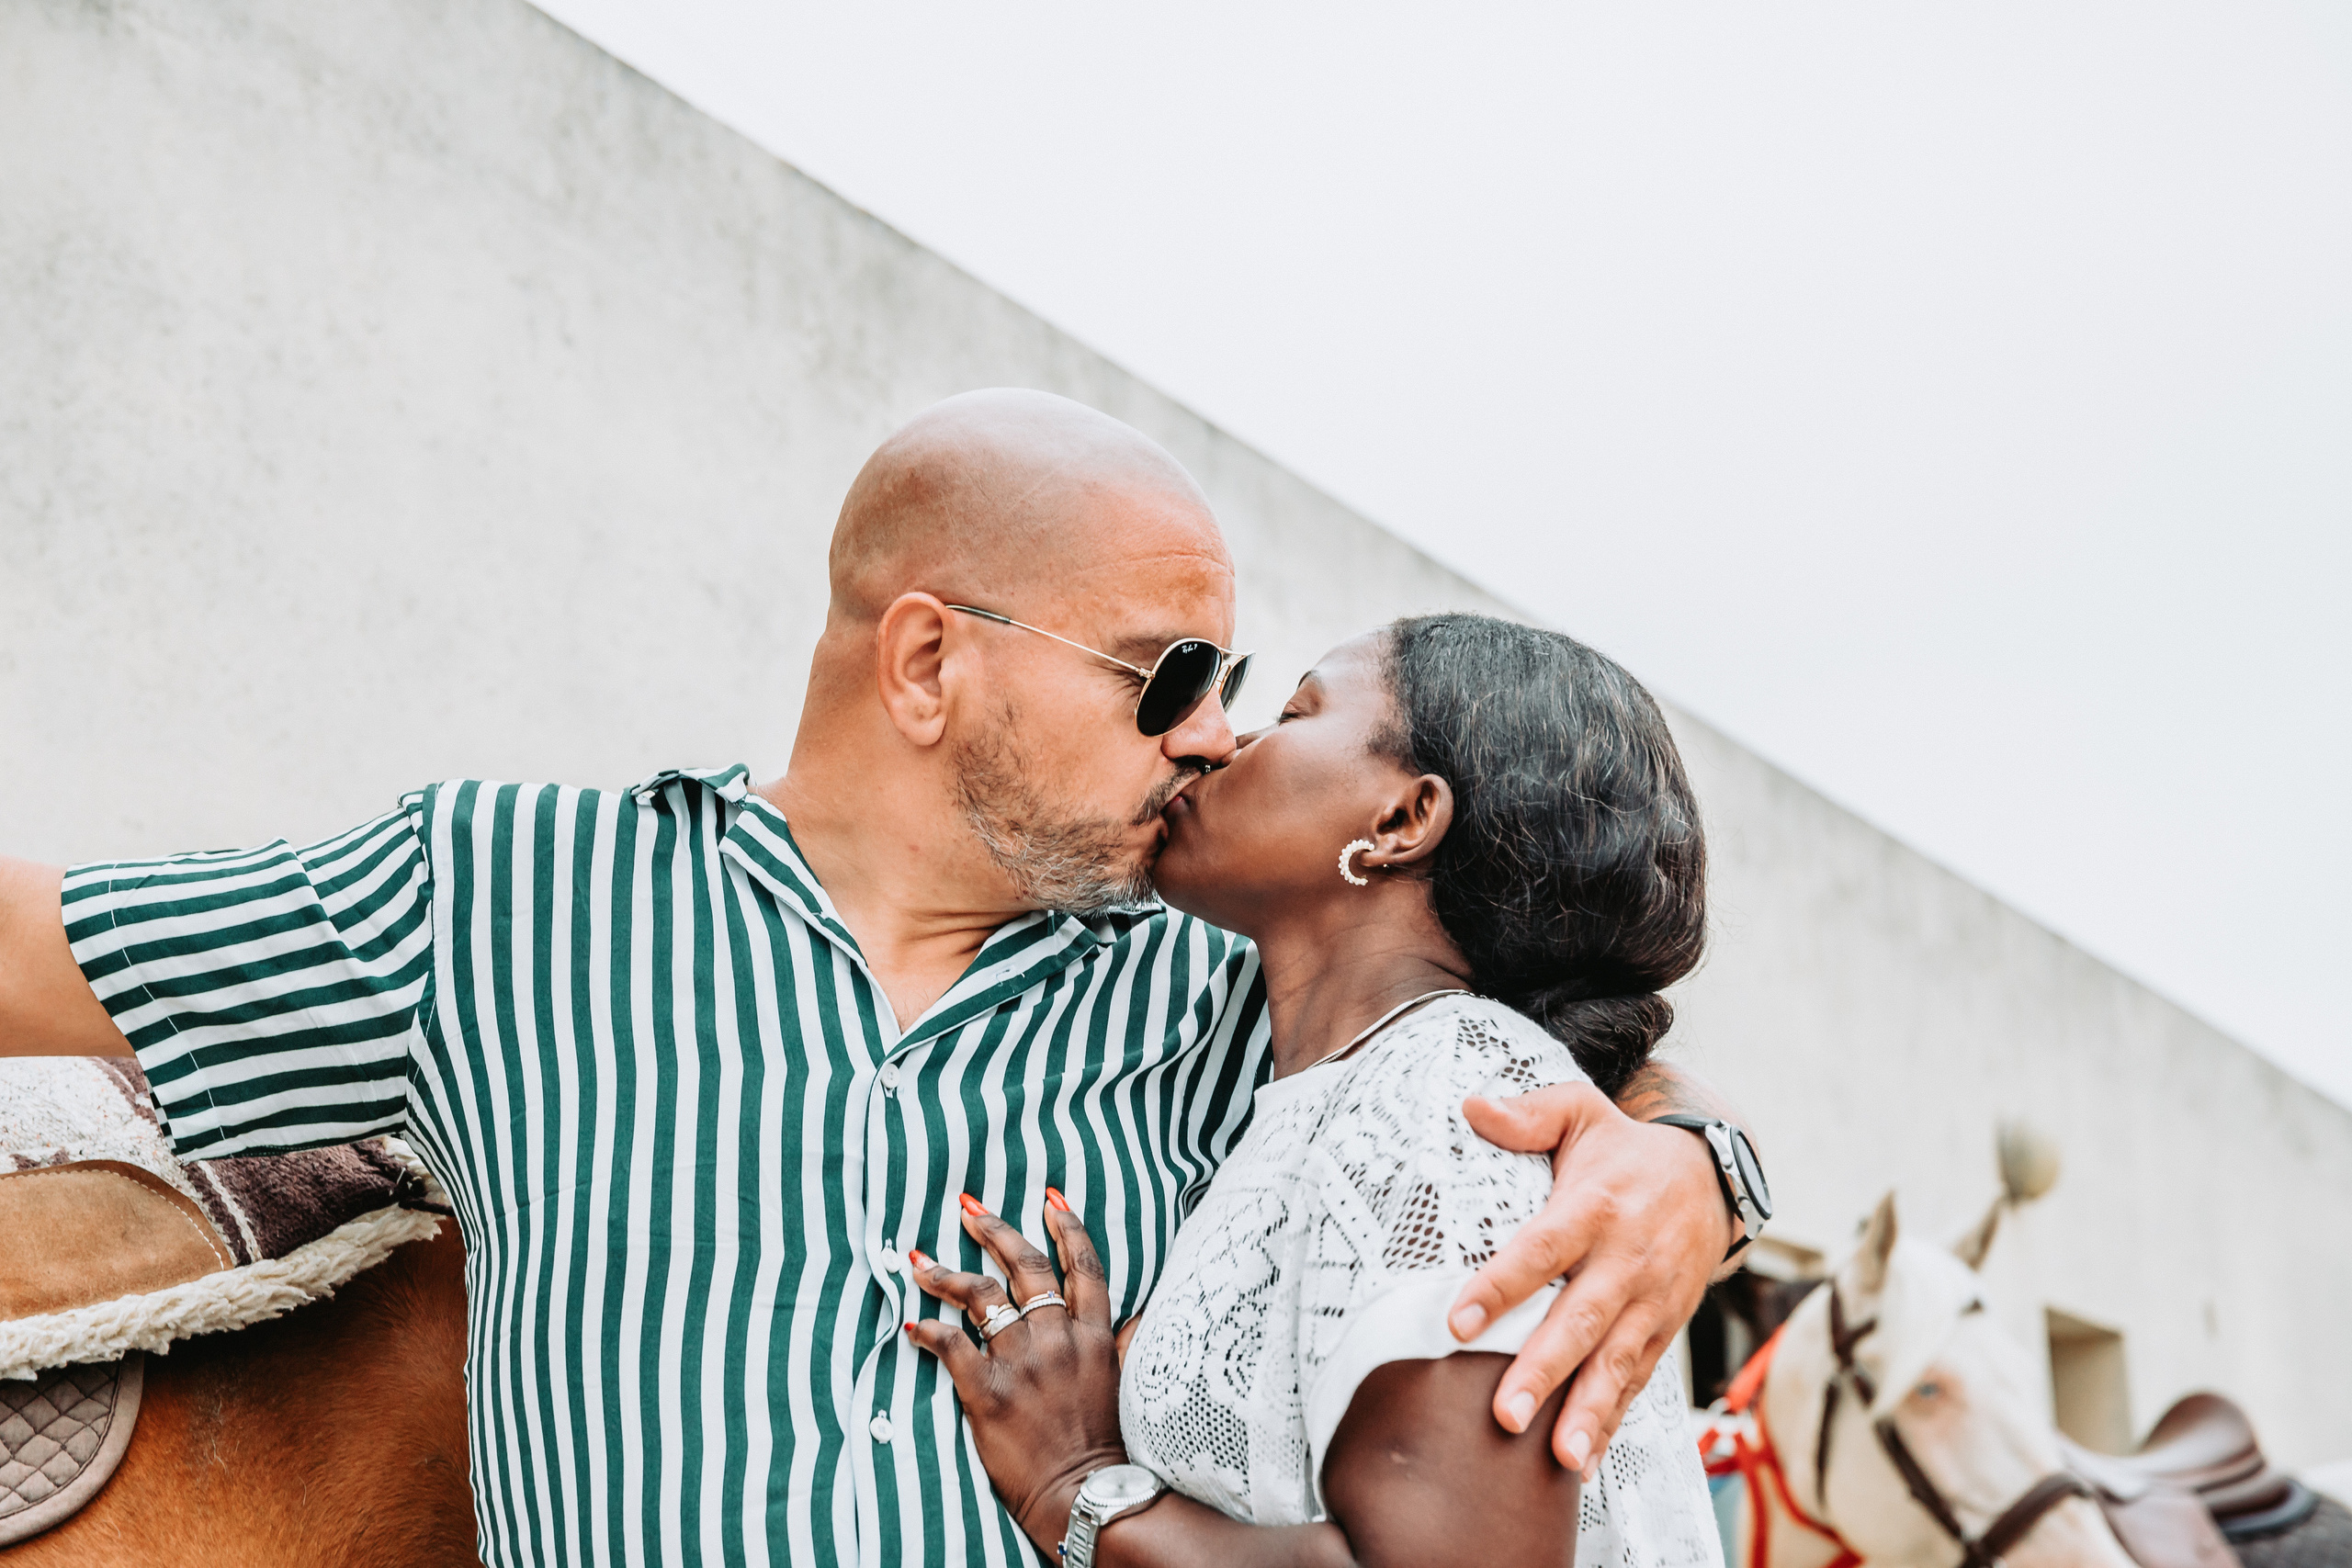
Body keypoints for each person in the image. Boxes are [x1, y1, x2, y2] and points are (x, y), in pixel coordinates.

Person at [0, 391, 1751, 1568]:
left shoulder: (1227, 999)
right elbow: (32, 949)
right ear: (928, 661)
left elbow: (1518, 1096)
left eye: (1238, 686)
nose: (1212, 732)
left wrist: (1696, 1175)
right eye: (1166, 673)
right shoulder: (495, 898)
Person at [905, 615, 1724, 1567]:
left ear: (1400, 822)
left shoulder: (1453, 1093)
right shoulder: (1335, 1085)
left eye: (1294, 712)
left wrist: (1077, 1488)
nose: (1221, 741)